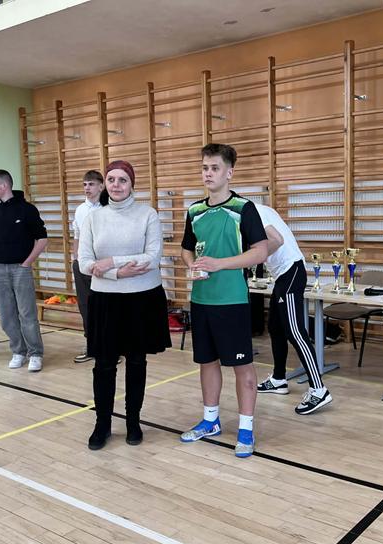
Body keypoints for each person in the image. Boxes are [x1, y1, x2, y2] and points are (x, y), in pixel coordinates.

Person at [180, 143, 268, 458]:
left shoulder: (244, 209)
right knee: (207, 362)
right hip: (201, 300)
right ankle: (211, 421)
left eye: (215, 168)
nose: (208, 173)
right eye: (204, 168)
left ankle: (246, 428)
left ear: (229, 172)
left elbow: (260, 252)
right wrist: (192, 265)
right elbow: (186, 248)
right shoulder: (194, 211)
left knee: (242, 366)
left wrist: (220, 264)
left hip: (232, 301)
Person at [78, 160, 170, 450]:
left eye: (122, 180)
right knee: (104, 364)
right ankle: (102, 423)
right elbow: (84, 263)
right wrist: (118, 273)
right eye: (111, 179)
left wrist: (110, 262)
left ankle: (133, 422)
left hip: (142, 298)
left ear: (132, 184)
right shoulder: (93, 218)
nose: (116, 185)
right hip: (105, 300)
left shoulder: (148, 214)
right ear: (105, 184)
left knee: (136, 361)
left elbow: (152, 257)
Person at [253, 202, 333, 415]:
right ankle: (278, 379)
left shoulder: (252, 211)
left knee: (295, 332)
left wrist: (254, 256)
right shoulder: (260, 209)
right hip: (282, 275)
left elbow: (277, 240)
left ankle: (319, 389)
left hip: (291, 271)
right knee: (276, 327)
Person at [0, 169, 48, 372]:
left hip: (20, 269)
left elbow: (42, 239)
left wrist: (26, 263)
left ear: (4, 185)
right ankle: (18, 351)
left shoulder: (27, 209)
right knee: (6, 315)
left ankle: (35, 353)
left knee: (27, 313)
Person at [72, 170, 105, 363]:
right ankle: (91, 345)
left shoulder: (107, 208)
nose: (87, 188)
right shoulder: (80, 209)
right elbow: (76, 235)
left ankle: (110, 348)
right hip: (82, 265)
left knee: (104, 306)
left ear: (101, 186)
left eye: (91, 184)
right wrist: (76, 259)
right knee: (85, 306)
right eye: (85, 184)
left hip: (102, 265)